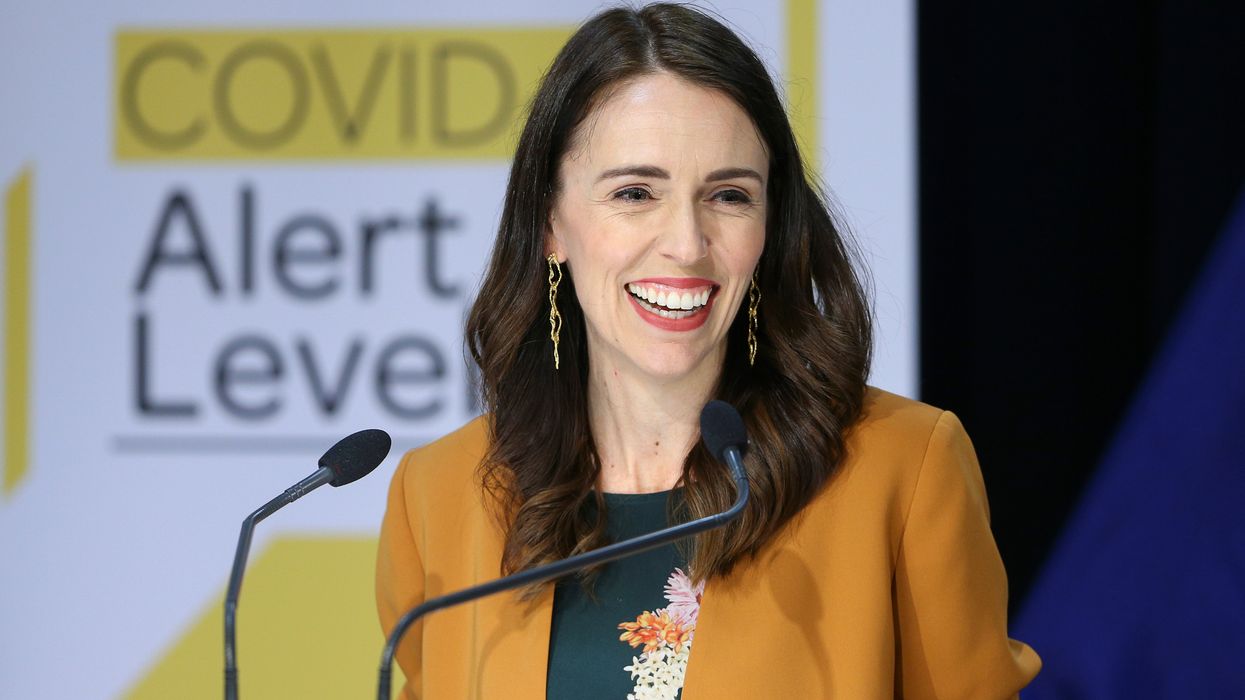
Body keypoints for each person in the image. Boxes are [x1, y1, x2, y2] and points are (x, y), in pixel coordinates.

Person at [376, 4, 1040, 698]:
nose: (687, 245)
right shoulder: (438, 493)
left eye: (728, 195)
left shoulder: (901, 470)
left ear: (769, 223)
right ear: (550, 222)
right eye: (635, 192)